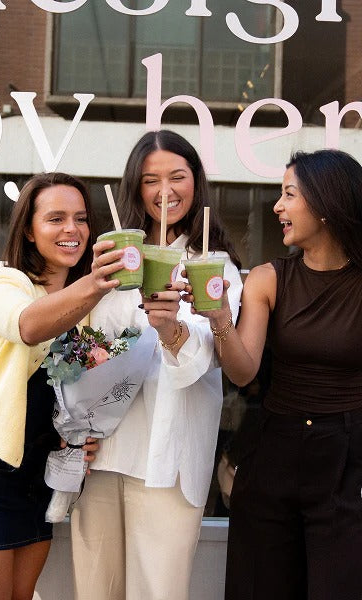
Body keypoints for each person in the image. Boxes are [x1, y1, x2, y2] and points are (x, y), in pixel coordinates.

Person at [70, 129, 243, 600]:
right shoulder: (110, 260)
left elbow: (202, 362)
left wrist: (169, 327)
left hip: (169, 460)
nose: (165, 190)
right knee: (95, 590)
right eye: (151, 180)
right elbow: (81, 348)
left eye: (177, 176)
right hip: (101, 455)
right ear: (136, 186)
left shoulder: (215, 267)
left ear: (196, 181)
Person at [0, 172, 127, 600]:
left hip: (43, 477)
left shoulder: (88, 305)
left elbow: (79, 388)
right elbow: (28, 326)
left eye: (80, 218)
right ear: (29, 231)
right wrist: (96, 282)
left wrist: (82, 436)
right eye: (56, 218)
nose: (72, 229)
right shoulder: (5, 283)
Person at [214, 149, 362, 600]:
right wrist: (219, 319)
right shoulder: (267, 278)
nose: (278, 206)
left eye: (289, 194)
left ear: (326, 202)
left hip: (346, 460)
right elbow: (243, 372)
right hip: (274, 451)